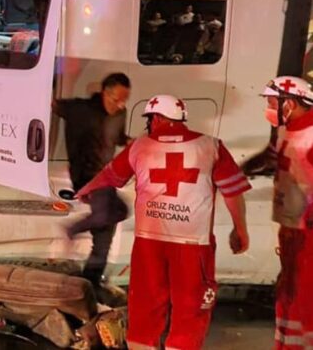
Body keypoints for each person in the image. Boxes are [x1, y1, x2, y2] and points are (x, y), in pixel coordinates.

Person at [78, 94, 250, 350]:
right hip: (193, 246)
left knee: (145, 308)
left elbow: (109, 176)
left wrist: (86, 190)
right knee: (190, 311)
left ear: (156, 118)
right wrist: (240, 229)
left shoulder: (139, 147)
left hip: (149, 243)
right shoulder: (211, 147)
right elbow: (233, 191)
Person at [54, 73, 131, 289]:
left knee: (111, 225)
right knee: (106, 215)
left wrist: (129, 141)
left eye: (124, 100)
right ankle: (73, 228)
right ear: (104, 93)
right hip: (85, 176)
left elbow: (117, 137)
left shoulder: (120, 114)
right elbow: (51, 104)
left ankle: (90, 282)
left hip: (106, 176)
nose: (120, 105)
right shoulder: (79, 109)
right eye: (116, 99)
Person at [259, 76, 313, 349]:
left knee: (305, 296)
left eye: (271, 102)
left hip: (309, 232)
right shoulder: (287, 129)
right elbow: (271, 157)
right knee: (288, 291)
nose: (268, 108)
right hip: (291, 227)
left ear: (289, 103)